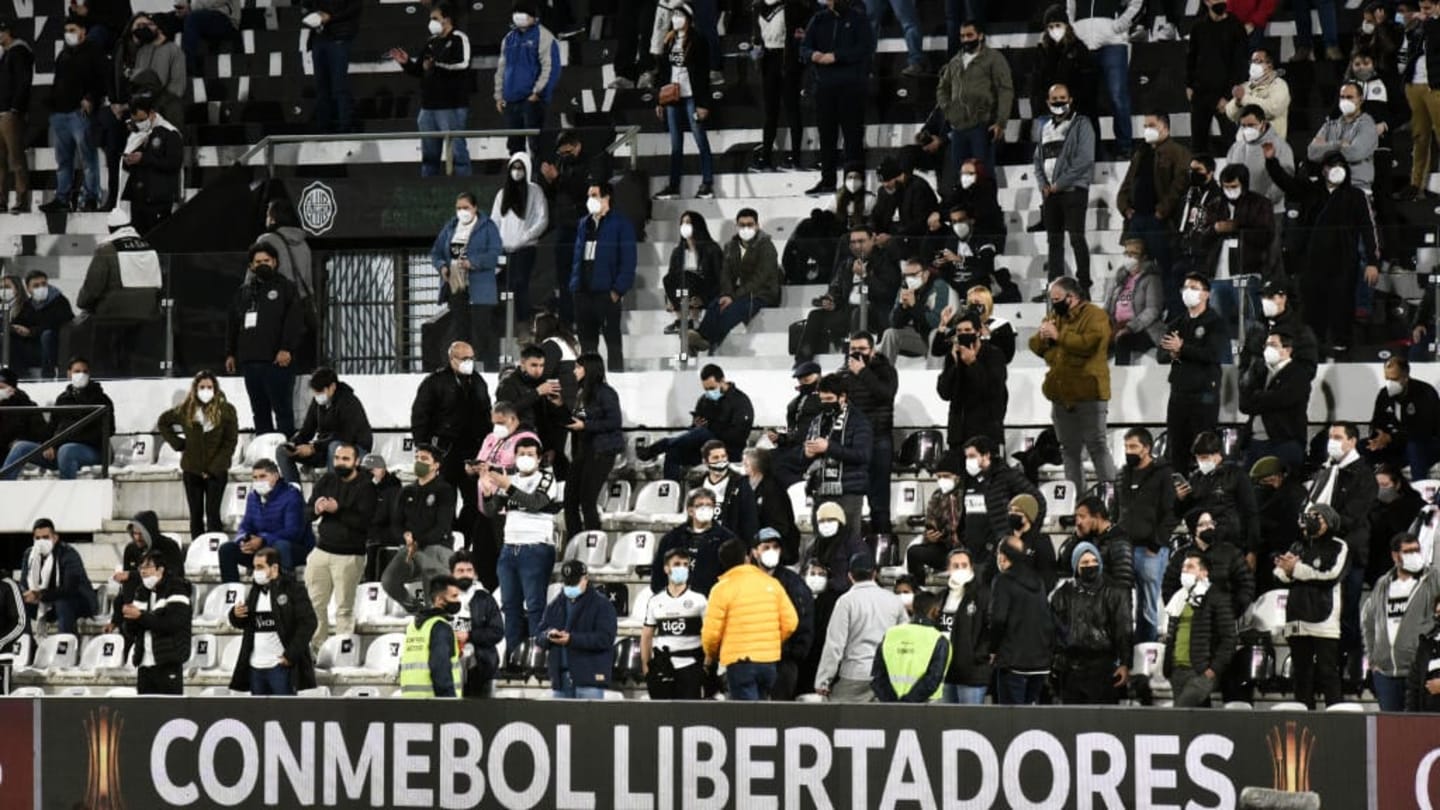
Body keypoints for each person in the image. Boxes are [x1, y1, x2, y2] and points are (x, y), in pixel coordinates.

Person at [1267, 150, 1380, 359]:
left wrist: (1372, 262)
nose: (1337, 169)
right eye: (1331, 165)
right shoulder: (1311, 191)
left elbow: (1367, 228)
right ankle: (1313, 350)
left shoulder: (1355, 196)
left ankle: (1342, 349)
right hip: (1312, 262)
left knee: (1342, 307)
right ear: (1323, 170)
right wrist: (1271, 161)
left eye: (1341, 165)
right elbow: (1286, 183)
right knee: (1312, 308)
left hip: (1344, 262)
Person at [1308, 422, 1379, 675]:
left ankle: (1352, 670)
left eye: (1338, 437)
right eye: (1330, 437)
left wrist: (1328, 524)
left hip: (1349, 554)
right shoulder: (1327, 470)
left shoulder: (1364, 475)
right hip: (1323, 553)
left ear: (1352, 441)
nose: (1332, 442)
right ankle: (1328, 667)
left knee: (1347, 615)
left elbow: (1355, 515)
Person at [1031, 276, 1117, 486]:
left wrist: (1058, 337)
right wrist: (1043, 337)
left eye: (1057, 298)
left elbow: (1089, 344)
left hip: (1089, 392)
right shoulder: (1055, 317)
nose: (1053, 303)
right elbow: (1035, 346)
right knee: (1068, 450)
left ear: (1071, 297)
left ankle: (1112, 499)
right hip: (1061, 395)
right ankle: (1078, 502)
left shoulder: (1095, 316)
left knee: (1097, 446)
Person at [412, 341, 491, 554]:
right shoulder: (434, 382)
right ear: (452, 359)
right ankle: (445, 540)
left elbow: (486, 415)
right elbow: (420, 416)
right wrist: (423, 449)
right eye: (464, 358)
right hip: (444, 452)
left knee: (474, 502)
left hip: (472, 452)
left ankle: (464, 539)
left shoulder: (478, 382)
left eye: (472, 358)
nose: (469, 362)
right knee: (443, 499)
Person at [481, 435, 556, 650]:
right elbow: (491, 510)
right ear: (514, 457)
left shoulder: (547, 479)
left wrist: (507, 486)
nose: (525, 458)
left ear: (539, 458)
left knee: (534, 606)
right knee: (510, 606)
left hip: (536, 548)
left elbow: (535, 503)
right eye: (521, 454)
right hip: (509, 549)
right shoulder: (511, 479)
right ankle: (513, 656)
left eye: (530, 454)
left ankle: (536, 655)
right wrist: (488, 494)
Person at [695, 538, 795, 700]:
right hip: (769, 662)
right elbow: (791, 623)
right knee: (763, 717)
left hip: (739, 662)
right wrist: (772, 642)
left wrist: (714, 654)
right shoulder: (772, 583)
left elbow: (711, 635)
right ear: (747, 558)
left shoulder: (721, 589)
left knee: (746, 718)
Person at [1275, 504, 1349, 709]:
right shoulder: (1298, 545)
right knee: (1301, 675)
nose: (1313, 521)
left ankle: (1336, 720)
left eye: (1319, 517)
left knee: (1328, 673)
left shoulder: (1338, 545)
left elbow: (1331, 575)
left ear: (1329, 520)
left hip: (1323, 619)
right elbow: (1280, 576)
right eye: (1310, 516)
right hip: (1296, 617)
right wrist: (1288, 568)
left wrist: (1296, 569)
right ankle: (1303, 719)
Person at [224, 245, 302, 436]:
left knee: (283, 412)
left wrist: (286, 348)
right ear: (251, 265)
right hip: (250, 363)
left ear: (275, 262)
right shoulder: (244, 292)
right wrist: (230, 353)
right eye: (258, 262)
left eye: (266, 261)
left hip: (277, 361)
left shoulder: (287, 288)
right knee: (259, 412)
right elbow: (232, 324)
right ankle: (264, 455)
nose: (262, 265)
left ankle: (286, 455)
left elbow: (294, 322)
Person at [389, 2, 474, 177]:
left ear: (447, 19)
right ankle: (428, 192)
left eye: (435, 18)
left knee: (458, 153)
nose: (431, 22)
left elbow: (462, 64)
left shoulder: (459, 38)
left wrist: (437, 65)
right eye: (430, 19)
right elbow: (420, 70)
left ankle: (464, 188)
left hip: (451, 106)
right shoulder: (431, 42)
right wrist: (406, 63)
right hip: (428, 108)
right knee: (429, 156)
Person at [75, 206, 162, 376]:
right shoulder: (148, 247)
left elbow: (93, 287)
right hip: (148, 314)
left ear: (110, 228)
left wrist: (82, 303)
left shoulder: (107, 249)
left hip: (113, 315)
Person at [800, 0, 875, 196]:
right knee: (826, 136)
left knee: (853, 137)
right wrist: (813, 55)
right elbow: (804, 48)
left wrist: (837, 56)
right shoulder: (818, 19)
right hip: (824, 88)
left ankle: (855, 185)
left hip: (851, 88)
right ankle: (827, 181)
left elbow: (865, 48)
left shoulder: (858, 19)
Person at [804, 376, 873, 589]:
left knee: (848, 543)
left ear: (843, 397)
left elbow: (863, 455)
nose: (825, 403)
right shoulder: (818, 420)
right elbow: (805, 452)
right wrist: (805, 453)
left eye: (830, 399)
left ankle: (846, 587)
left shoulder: (858, 421)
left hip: (848, 492)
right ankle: (819, 587)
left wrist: (829, 448)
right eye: (822, 399)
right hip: (820, 490)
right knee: (821, 544)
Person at [794, 226, 900, 361]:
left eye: (861, 241)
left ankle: (851, 361)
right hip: (847, 310)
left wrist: (865, 275)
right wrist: (831, 300)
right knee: (815, 315)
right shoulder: (847, 264)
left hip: (875, 311)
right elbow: (836, 288)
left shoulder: (885, 262)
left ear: (872, 240)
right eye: (853, 242)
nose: (856, 246)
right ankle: (802, 361)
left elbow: (888, 293)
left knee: (857, 313)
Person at [303, 442, 372, 649]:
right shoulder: (326, 480)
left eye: (345, 459)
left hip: (350, 555)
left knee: (344, 608)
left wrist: (337, 510)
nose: (339, 463)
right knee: (315, 605)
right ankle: (316, 650)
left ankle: (344, 652)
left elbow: (365, 522)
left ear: (356, 461)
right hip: (321, 550)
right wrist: (316, 509)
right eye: (337, 458)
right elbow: (307, 512)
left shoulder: (366, 486)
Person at [1, 356, 114, 481]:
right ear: (69, 374)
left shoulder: (101, 399)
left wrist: (58, 443)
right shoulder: (63, 399)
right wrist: (47, 444)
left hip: (93, 451)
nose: (81, 375)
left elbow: (108, 430)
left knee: (67, 450)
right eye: (77, 371)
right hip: (59, 449)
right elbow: (51, 428)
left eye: (85, 371)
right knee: (21, 447)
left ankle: (66, 496)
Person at [156, 371, 239, 539]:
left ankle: (215, 554)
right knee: (196, 516)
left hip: (216, 472)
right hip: (192, 471)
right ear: (195, 388)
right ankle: (197, 551)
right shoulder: (186, 410)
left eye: (209, 387)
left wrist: (213, 468)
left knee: (213, 514)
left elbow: (230, 441)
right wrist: (178, 443)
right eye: (202, 387)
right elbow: (163, 422)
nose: (206, 390)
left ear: (215, 389)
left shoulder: (227, 410)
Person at [814, 552, 907, 702]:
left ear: (850, 575)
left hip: (854, 674)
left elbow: (834, 645)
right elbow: (904, 638)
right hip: (886, 674)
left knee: (842, 720)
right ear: (874, 573)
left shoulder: (846, 602)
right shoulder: (894, 600)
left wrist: (823, 681)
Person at [226, 546, 317, 696]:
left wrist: (290, 655)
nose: (256, 571)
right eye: (254, 567)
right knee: (259, 716)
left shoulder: (293, 589)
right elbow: (245, 623)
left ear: (274, 568)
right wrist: (235, 615)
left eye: (260, 567)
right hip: (255, 666)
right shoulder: (255, 591)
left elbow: (309, 623)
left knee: (284, 715)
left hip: (279, 666)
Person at [1116, 427, 1179, 642]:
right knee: (1123, 603)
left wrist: (1156, 543)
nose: (1128, 451)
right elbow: (1118, 509)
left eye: (1133, 446)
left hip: (1151, 550)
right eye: (1126, 447)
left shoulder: (1163, 474)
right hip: (1125, 547)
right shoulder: (1124, 474)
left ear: (1147, 448)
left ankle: (1147, 649)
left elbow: (1171, 512)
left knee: (1148, 605)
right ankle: (1128, 652)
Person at [638, 364, 754, 482]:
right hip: (703, 448)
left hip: (728, 450)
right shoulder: (705, 400)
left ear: (722, 381)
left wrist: (710, 428)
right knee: (674, 453)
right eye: (706, 389)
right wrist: (696, 425)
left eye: (712, 388)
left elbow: (738, 435)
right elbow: (694, 431)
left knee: (703, 432)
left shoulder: (740, 402)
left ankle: (660, 446)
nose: (709, 392)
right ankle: (671, 489)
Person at [1364, 533, 1440, 711]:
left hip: (1419, 670)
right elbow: (1368, 620)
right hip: (1386, 672)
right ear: (1395, 556)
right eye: (1408, 551)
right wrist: (1373, 659)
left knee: (1416, 731)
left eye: (1417, 550)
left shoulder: (1433, 578)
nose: (1415, 555)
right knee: (1392, 732)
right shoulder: (1383, 583)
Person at [1050, 542, 1132, 704]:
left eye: (1095, 561)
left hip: (1103, 667)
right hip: (1071, 669)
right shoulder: (1062, 593)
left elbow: (1124, 629)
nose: (1091, 565)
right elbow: (1053, 630)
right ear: (1076, 566)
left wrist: (1125, 663)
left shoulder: (1115, 591)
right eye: (1085, 563)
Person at [41, 17, 106, 213]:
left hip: (80, 113)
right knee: (63, 160)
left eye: (72, 29)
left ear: (83, 31)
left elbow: (102, 79)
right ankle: (62, 199)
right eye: (66, 30)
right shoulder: (64, 54)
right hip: (60, 114)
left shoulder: (93, 51)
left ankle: (91, 198)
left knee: (88, 158)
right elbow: (57, 82)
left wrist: (91, 98)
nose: (68, 33)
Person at [1034, 83, 1096, 290]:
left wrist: (1059, 184)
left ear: (1070, 100)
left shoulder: (1081, 124)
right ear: (1048, 102)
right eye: (1055, 99)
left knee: (1077, 238)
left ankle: (1084, 284)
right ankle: (1055, 285)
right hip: (1051, 194)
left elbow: (1084, 159)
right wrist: (1044, 185)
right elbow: (1038, 160)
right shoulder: (1045, 128)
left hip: (1073, 192)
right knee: (1054, 242)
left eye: (1063, 97)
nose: (1059, 102)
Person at [1162, 274, 1227, 471]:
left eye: (1194, 287)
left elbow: (1213, 354)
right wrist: (1173, 354)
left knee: (1204, 445)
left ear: (1206, 294)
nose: (1188, 291)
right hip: (1179, 393)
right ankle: (1180, 492)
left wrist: (1182, 349)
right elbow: (1161, 354)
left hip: (1203, 394)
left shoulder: (1215, 322)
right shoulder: (1177, 323)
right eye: (1185, 287)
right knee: (1177, 449)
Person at [1118, 113, 1189, 292]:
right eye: (1145, 126)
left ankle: (1168, 311)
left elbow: (1179, 185)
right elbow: (1127, 182)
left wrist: (1162, 211)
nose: (1147, 130)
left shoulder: (1178, 152)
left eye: (1151, 125)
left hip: (1160, 222)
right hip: (1136, 220)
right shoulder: (1141, 152)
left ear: (1165, 126)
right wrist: (1125, 207)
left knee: (1165, 269)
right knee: (1134, 269)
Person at [930, 20, 1011, 177]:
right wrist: (949, 109)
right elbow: (942, 88)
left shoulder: (994, 59)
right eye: (962, 36)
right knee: (960, 175)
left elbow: (1005, 90)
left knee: (983, 173)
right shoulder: (955, 61)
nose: (966, 39)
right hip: (958, 128)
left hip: (981, 125)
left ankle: (988, 202)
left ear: (980, 36)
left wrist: (1001, 122)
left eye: (969, 35)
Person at [380, 445, 456, 611]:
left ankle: (435, 614)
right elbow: (396, 523)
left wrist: (418, 541)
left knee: (433, 592)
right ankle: (417, 610)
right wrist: (404, 536)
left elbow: (442, 527)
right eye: (416, 458)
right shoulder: (407, 491)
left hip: (437, 546)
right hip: (411, 547)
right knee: (389, 581)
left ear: (436, 465)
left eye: (424, 459)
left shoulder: (445, 490)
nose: (418, 462)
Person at [433, 193, 504, 370]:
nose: (462, 211)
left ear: (475, 208)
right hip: (457, 288)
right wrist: (442, 267)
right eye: (458, 208)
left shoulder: (488, 227)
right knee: (459, 332)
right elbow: (436, 253)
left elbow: (495, 253)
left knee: (482, 332)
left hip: (481, 290)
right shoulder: (450, 227)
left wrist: (473, 262)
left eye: (466, 207)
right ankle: (458, 369)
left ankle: (490, 371)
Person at [694, 209, 782, 352]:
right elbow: (726, 273)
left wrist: (734, 297)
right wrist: (727, 294)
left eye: (750, 224)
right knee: (716, 304)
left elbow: (760, 278)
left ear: (757, 225)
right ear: (737, 226)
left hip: (762, 293)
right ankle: (701, 337)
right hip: (740, 292)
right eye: (742, 225)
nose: (746, 228)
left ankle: (710, 341)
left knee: (733, 310)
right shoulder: (731, 246)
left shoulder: (766, 247)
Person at [570, 182, 637, 371]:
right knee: (587, 345)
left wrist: (617, 290)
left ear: (606, 198)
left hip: (606, 293)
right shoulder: (584, 223)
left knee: (612, 342)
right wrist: (575, 286)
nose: (590, 199)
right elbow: (577, 256)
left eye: (594, 195)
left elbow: (628, 260)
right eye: (589, 195)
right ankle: (588, 383)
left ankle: (617, 379)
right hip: (583, 292)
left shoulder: (621, 224)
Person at [652, 4, 715, 201]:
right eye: (674, 15)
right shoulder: (669, 40)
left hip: (692, 97)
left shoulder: (698, 40)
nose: (676, 18)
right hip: (672, 97)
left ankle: (707, 182)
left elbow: (704, 75)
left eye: (680, 15)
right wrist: (659, 101)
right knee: (675, 144)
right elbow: (663, 72)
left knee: (700, 140)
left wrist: (703, 103)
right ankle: (673, 185)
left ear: (688, 18)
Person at [953, 436, 1044, 571]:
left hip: (995, 553)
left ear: (986, 455)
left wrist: (1027, 535)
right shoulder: (969, 480)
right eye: (966, 457)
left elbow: (1038, 501)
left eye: (972, 456)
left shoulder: (1007, 476)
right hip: (972, 553)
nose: (968, 461)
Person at [1068, 0, 1142, 158]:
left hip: (1113, 41)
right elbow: (1070, 6)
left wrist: (1121, 23)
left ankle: (1124, 148)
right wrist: (1073, 28)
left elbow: (1136, 2)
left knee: (1117, 96)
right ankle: (1091, 149)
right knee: (1086, 100)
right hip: (1082, 41)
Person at [1163, 549, 1236, 708]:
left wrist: (1213, 669)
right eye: (1183, 568)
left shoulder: (1217, 597)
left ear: (1203, 572)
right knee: (1191, 725)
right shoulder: (1178, 598)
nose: (1184, 571)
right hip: (1177, 670)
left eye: (1190, 567)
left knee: (1180, 712)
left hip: (1200, 671)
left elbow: (1229, 638)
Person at [277, 367, 373, 484]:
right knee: (282, 451)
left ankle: (333, 491)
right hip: (323, 448)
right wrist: (294, 443)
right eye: (315, 392)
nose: (317, 395)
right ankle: (293, 491)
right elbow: (307, 429)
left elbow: (345, 437)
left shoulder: (349, 402)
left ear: (332, 387)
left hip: (353, 449)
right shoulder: (318, 402)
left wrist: (313, 448)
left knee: (336, 448)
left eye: (320, 391)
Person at [219, 459, 310, 582]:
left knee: (280, 546)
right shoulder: (253, 496)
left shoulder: (292, 495)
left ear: (276, 476)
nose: (258, 481)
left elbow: (293, 533)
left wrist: (263, 540)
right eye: (255, 477)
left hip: (293, 548)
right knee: (227, 549)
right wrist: (244, 539)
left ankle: (284, 591)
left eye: (262, 476)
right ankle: (233, 594)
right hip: (262, 548)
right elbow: (245, 525)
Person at [538, 560, 617, 699]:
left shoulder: (602, 605)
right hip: (560, 681)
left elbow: (605, 638)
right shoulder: (555, 605)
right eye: (567, 583)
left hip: (589, 679)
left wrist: (571, 639)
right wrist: (548, 635)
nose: (570, 587)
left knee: (589, 720)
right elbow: (540, 635)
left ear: (586, 579)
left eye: (574, 583)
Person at [990, 536, 1054, 705]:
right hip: (1040, 663)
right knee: (1029, 720)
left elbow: (998, 619)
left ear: (1002, 557)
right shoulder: (1038, 581)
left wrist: (993, 649)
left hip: (1013, 663)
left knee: (1010, 722)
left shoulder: (1003, 581)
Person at [564, 353, 623, 533]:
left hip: (601, 452)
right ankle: (575, 542)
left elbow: (614, 422)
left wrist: (585, 425)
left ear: (588, 369)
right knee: (570, 500)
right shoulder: (581, 392)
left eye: (578, 367)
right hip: (582, 452)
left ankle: (592, 544)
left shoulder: (606, 393)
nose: (574, 371)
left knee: (587, 500)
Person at [750, 526, 813, 698]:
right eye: (766, 547)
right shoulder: (744, 581)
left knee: (778, 714)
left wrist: (793, 652)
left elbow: (804, 620)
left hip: (783, 662)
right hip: (749, 660)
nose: (772, 551)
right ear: (755, 552)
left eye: (776, 547)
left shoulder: (794, 583)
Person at [1175, 431, 1261, 554]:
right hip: (1202, 543)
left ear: (1217, 454)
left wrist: (1252, 550)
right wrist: (1180, 499)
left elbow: (1251, 513)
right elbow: (1184, 512)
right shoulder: (1195, 478)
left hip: (1231, 543)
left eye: (1204, 457)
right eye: (1198, 458)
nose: (1200, 461)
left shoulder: (1237, 475)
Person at [118, 550, 191, 695]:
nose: (143, 571)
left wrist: (140, 616)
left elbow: (172, 623)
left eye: (148, 567)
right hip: (144, 663)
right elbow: (131, 631)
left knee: (169, 713)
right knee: (147, 715)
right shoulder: (141, 592)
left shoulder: (176, 588)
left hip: (168, 662)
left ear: (160, 569)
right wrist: (129, 618)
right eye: (141, 568)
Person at [641, 547, 708, 699]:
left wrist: (706, 666)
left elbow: (709, 635)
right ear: (666, 569)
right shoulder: (655, 601)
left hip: (691, 667)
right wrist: (646, 667)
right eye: (677, 564)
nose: (682, 568)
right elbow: (646, 635)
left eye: (685, 564)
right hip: (663, 667)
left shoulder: (699, 600)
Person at [1240, 332, 1311, 470]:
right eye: (1266, 345)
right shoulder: (1260, 371)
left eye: (1273, 345)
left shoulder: (1298, 373)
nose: (1267, 349)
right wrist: (1267, 397)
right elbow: (1244, 403)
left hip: (1283, 442)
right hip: (1254, 443)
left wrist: (1258, 397)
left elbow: (1282, 400)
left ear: (1287, 349)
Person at [934, 314, 1007, 449]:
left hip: (986, 434)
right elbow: (944, 392)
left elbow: (993, 390)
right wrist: (956, 365)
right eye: (959, 331)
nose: (963, 334)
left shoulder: (993, 354)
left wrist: (972, 363)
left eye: (968, 330)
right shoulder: (953, 356)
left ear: (978, 332)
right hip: (958, 434)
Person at [495, 2, 558, 156]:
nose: (519, 16)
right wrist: (499, 96)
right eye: (516, 12)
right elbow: (501, 68)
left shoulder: (544, 36)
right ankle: (518, 178)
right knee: (514, 146)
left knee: (537, 145)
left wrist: (537, 93)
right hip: (511, 101)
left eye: (523, 12)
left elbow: (550, 68)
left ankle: (539, 178)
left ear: (533, 16)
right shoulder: (509, 38)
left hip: (532, 101)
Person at [1185, 0, 1248, 155]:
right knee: (1198, 147)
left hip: (1225, 97)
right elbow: (1191, 58)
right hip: (1201, 94)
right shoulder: (1198, 27)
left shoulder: (1236, 26)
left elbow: (1239, 65)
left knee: (1233, 145)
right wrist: (1189, 85)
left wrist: (1227, 96)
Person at [749, 0, 804, 172]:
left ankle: (795, 159)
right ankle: (766, 160)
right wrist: (755, 51)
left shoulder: (792, 6)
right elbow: (756, 37)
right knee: (770, 113)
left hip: (787, 61)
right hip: (768, 61)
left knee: (792, 109)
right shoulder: (758, 7)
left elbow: (800, 34)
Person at [1201, 163, 1277, 287]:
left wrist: (1237, 227)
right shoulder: (1215, 205)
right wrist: (1215, 229)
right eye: (1226, 187)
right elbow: (1202, 239)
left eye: (1234, 186)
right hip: (1216, 273)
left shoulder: (1260, 204)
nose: (1230, 191)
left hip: (1247, 272)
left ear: (1244, 185)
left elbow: (1266, 236)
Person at [115, 92, 181, 232]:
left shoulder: (170, 133)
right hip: (137, 201)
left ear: (151, 113)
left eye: (140, 120)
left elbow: (173, 164)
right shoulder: (136, 134)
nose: (138, 124)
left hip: (158, 202)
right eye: (135, 120)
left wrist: (144, 158)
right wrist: (129, 161)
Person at [870, 589, 950, 703]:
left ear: (912, 608)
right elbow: (932, 680)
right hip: (925, 707)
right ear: (936, 611)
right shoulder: (939, 640)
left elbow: (878, 676)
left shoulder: (891, 634)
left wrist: (894, 703)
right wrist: (907, 704)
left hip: (889, 705)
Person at [652, 489, 737, 596]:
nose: (705, 508)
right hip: (675, 600)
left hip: (713, 600)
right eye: (700, 505)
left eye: (709, 505)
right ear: (690, 511)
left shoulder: (727, 539)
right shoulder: (672, 538)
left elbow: (733, 576)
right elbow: (658, 574)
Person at [1367, 358, 1440, 481]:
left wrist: (1391, 437)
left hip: (1428, 445)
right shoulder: (1384, 394)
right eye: (1387, 379)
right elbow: (1376, 422)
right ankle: (1366, 490)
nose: (1390, 383)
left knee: (1414, 446)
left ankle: (1419, 489)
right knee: (1363, 446)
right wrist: (1377, 437)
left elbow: (1423, 431)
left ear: (1405, 377)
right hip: (1396, 444)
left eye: (1394, 379)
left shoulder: (1425, 392)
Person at [21, 520, 98, 636]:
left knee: (63, 603)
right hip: (46, 601)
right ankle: (26, 644)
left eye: (45, 538)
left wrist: (40, 595)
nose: (41, 542)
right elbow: (24, 582)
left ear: (55, 538)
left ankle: (65, 645)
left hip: (79, 600)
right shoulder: (29, 555)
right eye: (38, 538)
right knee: (18, 602)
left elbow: (69, 589)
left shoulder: (68, 554)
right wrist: (27, 595)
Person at [1029, 7, 1098, 131]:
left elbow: (1088, 85)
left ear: (1066, 26)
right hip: (1048, 110)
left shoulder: (1079, 49)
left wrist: (1069, 104)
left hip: (1075, 110)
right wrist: (1040, 109)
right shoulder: (1042, 52)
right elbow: (1036, 84)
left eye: (1057, 25)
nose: (1054, 29)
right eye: (1050, 27)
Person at [936, 548, 990, 703]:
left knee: (969, 722)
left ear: (971, 567)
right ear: (948, 569)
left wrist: (978, 655)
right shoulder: (941, 597)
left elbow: (990, 629)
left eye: (964, 565)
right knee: (947, 723)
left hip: (971, 673)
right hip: (945, 672)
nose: (960, 569)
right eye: (956, 565)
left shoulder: (982, 595)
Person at [448, 551, 504, 698]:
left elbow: (497, 632)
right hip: (449, 667)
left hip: (483, 667)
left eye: (469, 570)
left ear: (475, 574)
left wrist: (469, 636)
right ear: (451, 574)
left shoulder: (486, 599)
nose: (465, 574)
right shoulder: (444, 599)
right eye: (460, 571)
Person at [1307, 81, 1380, 191]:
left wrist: (1325, 147)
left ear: (1360, 100)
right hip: (1329, 186)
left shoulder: (1368, 125)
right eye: (1342, 97)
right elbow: (1312, 152)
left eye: (1350, 97)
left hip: (1356, 186)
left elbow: (1355, 153)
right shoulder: (1329, 125)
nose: (1345, 101)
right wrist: (1339, 144)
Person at [1241, 279, 1319, 381]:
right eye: (1263, 297)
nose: (1265, 301)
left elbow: (1308, 368)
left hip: (1286, 392)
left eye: (1270, 297)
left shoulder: (1300, 331)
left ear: (1283, 298)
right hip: (1257, 393)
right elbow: (1244, 363)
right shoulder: (1256, 330)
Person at [398, 575, 463, 698]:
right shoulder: (440, 627)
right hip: (434, 704)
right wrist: (449, 702)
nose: (458, 600)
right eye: (454, 596)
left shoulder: (413, 627)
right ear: (439, 600)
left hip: (409, 700)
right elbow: (440, 668)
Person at [300, 0, 360, 133]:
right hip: (319, 39)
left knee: (339, 85)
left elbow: (354, 8)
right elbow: (305, 7)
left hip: (339, 38)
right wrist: (315, 15)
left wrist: (330, 17)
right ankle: (323, 126)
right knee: (321, 86)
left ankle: (345, 125)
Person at [1103, 238, 1165, 365]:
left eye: (1134, 253)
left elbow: (1153, 310)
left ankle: (1120, 379)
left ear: (1144, 257)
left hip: (1144, 330)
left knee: (1123, 340)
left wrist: (1130, 327)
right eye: (1126, 253)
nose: (1129, 257)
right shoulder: (1119, 279)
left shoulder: (1151, 279)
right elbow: (1107, 307)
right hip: (1117, 325)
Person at [1251, 455, 1308, 594]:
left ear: (1278, 477)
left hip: (1284, 556)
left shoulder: (1292, 496)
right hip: (1271, 554)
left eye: (1267, 481)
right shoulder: (1282, 493)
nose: (1264, 486)